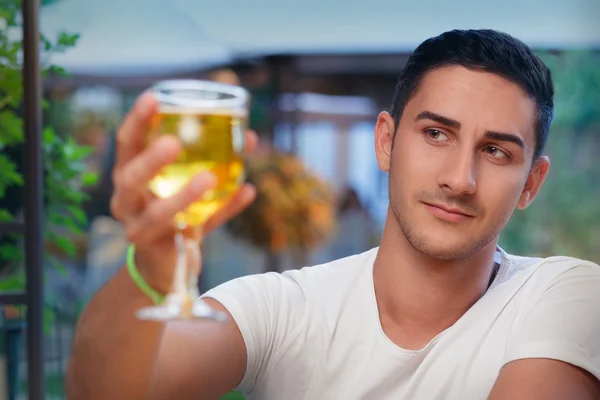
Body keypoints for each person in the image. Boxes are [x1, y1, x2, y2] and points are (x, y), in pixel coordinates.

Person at [66, 29, 600, 400]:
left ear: (531, 182)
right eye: (436, 134)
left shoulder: (561, 294)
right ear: (386, 143)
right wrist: (152, 269)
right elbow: (109, 391)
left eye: (496, 151)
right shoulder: (283, 309)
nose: (460, 179)